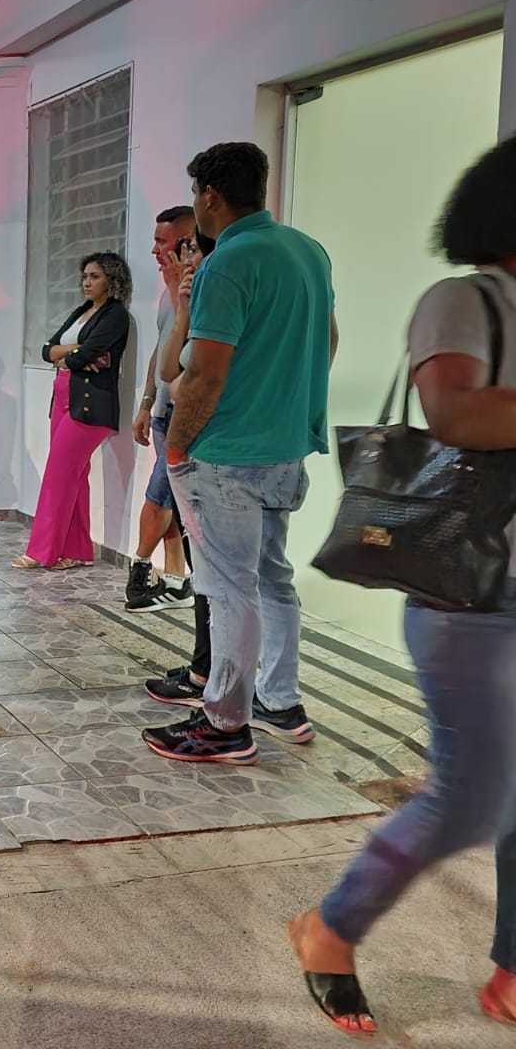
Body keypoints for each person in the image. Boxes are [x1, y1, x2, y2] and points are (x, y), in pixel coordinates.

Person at [288, 138, 516, 1035]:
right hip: (472, 593)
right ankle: (330, 927)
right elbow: (454, 410)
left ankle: (510, 969)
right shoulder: (462, 300)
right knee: (465, 799)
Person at [142, 141, 336, 765]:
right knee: (273, 576)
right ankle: (280, 700)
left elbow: (201, 375)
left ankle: (226, 722)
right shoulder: (307, 251)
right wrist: (283, 395)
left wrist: (176, 449)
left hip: (226, 453)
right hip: (284, 445)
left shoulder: (230, 261)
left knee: (228, 588)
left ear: (209, 197)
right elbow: (327, 340)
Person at [12, 253, 132, 570]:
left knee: (59, 474)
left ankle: (42, 551)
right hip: (64, 396)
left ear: (112, 280)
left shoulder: (115, 315)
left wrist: (72, 355)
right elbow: (46, 349)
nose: (87, 282)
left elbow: (86, 355)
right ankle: (77, 550)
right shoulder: (81, 312)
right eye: (85, 276)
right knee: (75, 477)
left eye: (94, 276)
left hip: (91, 403)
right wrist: (71, 353)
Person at [143, 231, 219, 706]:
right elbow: (164, 363)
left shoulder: (216, 286)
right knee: (218, 570)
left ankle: (215, 685)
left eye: (173, 244)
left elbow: (184, 371)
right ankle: (210, 671)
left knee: (220, 574)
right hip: (180, 426)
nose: (163, 254)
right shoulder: (185, 294)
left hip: (204, 438)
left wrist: (177, 450)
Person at [125, 207, 196, 612]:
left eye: (162, 242)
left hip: (187, 416)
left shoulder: (195, 290)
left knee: (159, 494)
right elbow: (161, 352)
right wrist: (146, 403)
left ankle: (139, 572)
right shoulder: (170, 294)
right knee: (169, 497)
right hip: (164, 413)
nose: (154, 250)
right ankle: (176, 578)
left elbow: (188, 354)